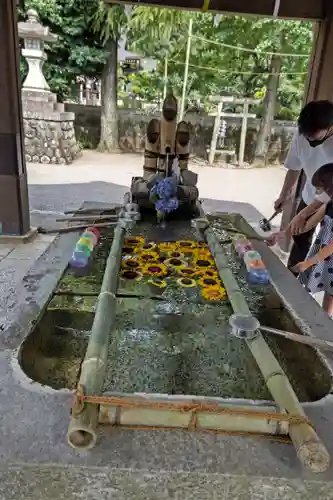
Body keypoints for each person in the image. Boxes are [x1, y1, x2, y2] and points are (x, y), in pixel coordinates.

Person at [273, 100, 333, 276]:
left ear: (330, 126)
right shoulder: (301, 135)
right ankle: (292, 278)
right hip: (311, 195)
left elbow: (328, 195)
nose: (309, 139)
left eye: (314, 135)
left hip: (328, 200)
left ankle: (314, 281)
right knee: (299, 237)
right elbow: (294, 167)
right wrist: (284, 196)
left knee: (326, 244)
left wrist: (304, 214)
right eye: (306, 135)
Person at [292, 163, 333, 315]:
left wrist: (309, 262)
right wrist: (283, 233)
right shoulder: (329, 203)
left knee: (331, 292)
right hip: (323, 252)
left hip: (328, 253)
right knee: (325, 283)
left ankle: (326, 322)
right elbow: (308, 224)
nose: (318, 193)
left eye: (321, 188)